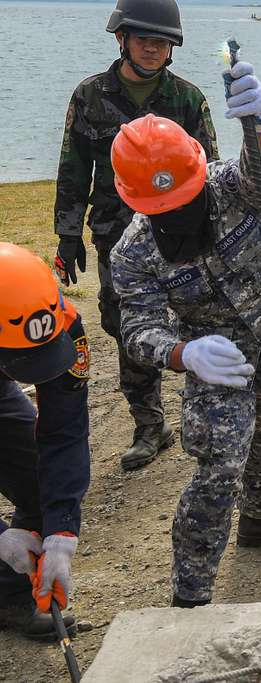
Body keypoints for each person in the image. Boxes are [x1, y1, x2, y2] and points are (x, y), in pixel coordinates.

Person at [109, 61, 261, 607]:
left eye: (184, 197)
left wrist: (258, 124)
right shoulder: (134, 253)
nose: (178, 211)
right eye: (162, 208)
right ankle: (190, 595)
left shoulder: (230, 187)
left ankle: (260, 519)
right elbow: (136, 327)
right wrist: (183, 353)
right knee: (219, 468)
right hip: (219, 360)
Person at [53, 0, 219, 471]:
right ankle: (151, 425)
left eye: (162, 40)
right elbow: (72, 169)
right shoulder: (89, 96)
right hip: (117, 232)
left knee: (199, 320)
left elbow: (211, 169)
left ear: (173, 47)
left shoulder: (187, 99)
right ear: (121, 38)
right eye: (143, 38)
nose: (152, 47)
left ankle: (205, 417)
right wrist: (68, 236)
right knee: (127, 325)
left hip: (182, 233)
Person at [0, 243, 90, 639]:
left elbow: (65, 431)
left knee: (37, 475)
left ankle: (7, 597)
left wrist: (61, 530)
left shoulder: (62, 322)